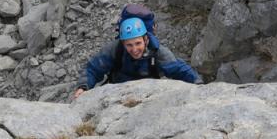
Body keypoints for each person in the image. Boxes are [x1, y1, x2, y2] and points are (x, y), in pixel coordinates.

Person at [73, 16, 202, 99]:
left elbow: (178, 69)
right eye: (129, 45)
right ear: (123, 43)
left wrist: (198, 84)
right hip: (118, 96)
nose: (134, 49)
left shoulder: (157, 51)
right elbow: (94, 68)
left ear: (145, 40)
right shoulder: (115, 49)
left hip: (150, 97)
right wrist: (83, 87)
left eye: (138, 43)